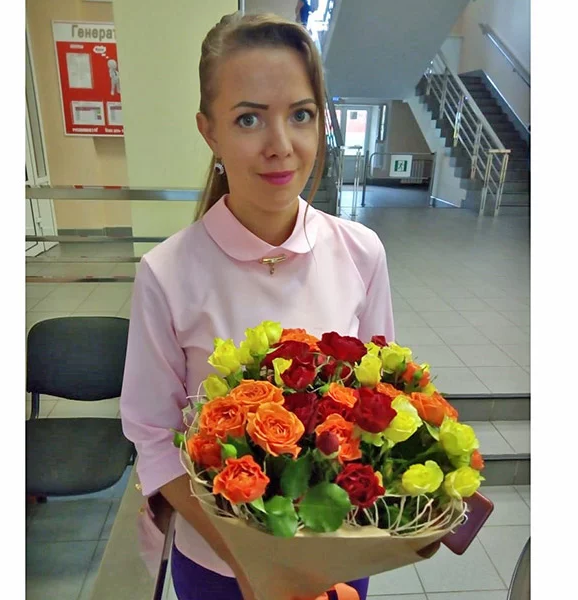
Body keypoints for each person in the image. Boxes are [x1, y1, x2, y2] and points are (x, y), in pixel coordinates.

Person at [120, 12, 395, 600]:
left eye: (301, 115)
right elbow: (153, 439)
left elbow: (380, 406)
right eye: (249, 119)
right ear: (210, 132)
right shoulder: (167, 273)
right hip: (221, 568)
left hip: (336, 555)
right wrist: (251, 561)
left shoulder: (361, 252)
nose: (281, 146)